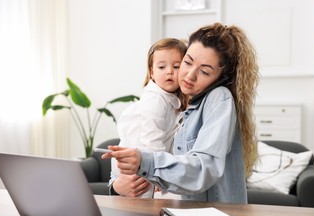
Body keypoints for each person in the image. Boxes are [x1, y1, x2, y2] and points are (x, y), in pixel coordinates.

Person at [105, 22, 259, 203]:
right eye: (187, 62)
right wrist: (116, 187)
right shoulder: (172, 102)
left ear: (221, 77)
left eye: (204, 71)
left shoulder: (218, 98)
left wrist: (146, 163)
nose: (189, 75)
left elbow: (204, 168)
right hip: (171, 215)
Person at [109, 38, 188, 198]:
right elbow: (152, 139)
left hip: (141, 162)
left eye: (176, 66)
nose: (169, 71)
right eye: (162, 67)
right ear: (152, 72)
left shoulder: (171, 100)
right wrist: (160, 175)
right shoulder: (156, 99)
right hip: (137, 163)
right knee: (141, 204)